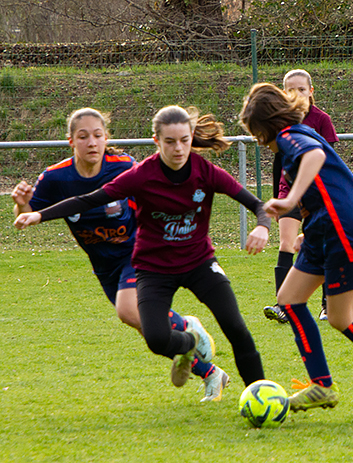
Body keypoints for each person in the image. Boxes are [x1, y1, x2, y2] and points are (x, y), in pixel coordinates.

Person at [15, 105, 269, 391]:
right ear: (156, 141)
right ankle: (195, 351)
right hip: (149, 267)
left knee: (234, 327)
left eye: (184, 140)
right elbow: (89, 200)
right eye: (170, 141)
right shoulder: (139, 175)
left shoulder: (203, 172)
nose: (179, 148)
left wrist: (262, 226)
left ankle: (259, 391)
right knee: (155, 338)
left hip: (190, 261)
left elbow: (258, 204)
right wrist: (37, 214)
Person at [239, 82, 353, 413]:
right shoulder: (296, 134)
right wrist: (307, 229)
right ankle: (321, 385)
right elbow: (326, 188)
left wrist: (291, 200)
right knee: (289, 299)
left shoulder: (290, 137)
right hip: (324, 232)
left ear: (265, 125)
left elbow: (315, 157)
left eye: (255, 131)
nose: (257, 140)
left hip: (344, 232)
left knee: (341, 318)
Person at [263, 69, 340, 324]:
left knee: (323, 245)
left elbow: (328, 161)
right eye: (290, 90)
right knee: (286, 244)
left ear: (311, 91)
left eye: (301, 89)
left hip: (317, 195)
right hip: (289, 193)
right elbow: (278, 162)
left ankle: (327, 304)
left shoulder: (321, 119)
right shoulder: (280, 121)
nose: (296, 94)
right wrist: (279, 196)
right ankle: (283, 305)